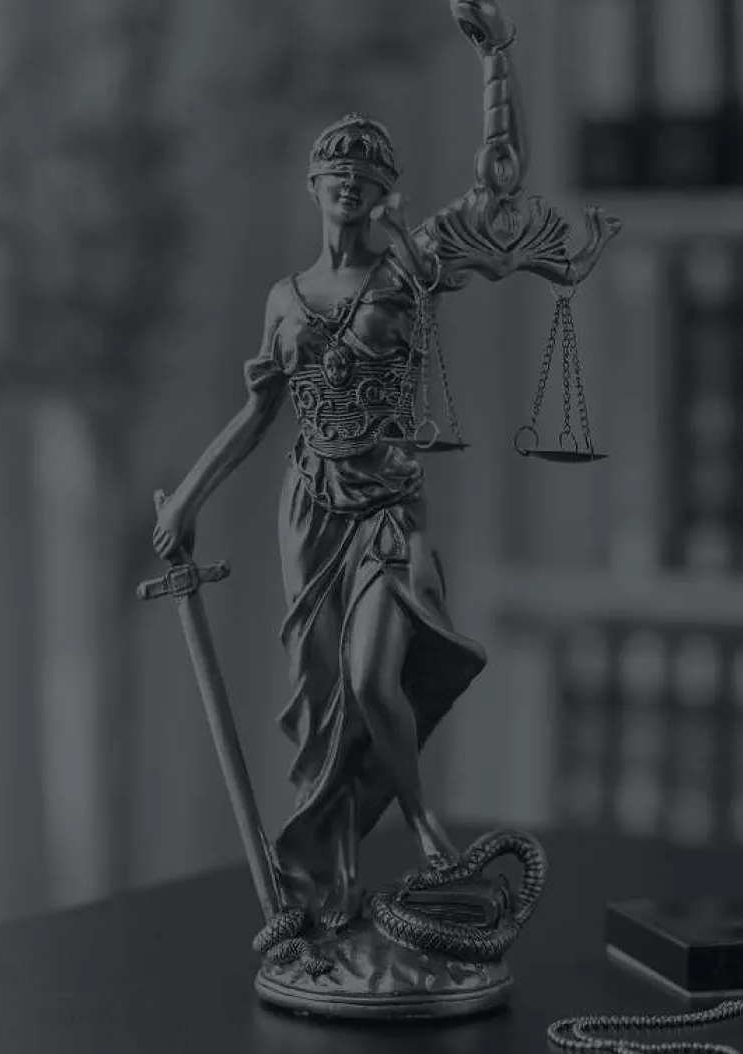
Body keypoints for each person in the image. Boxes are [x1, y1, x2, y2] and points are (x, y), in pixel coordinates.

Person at [150, 114, 484, 930]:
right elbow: (261, 413)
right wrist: (190, 494)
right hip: (309, 506)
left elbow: (495, 193)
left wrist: (499, 63)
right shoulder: (285, 298)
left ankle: (422, 823)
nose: (349, 181)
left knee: (374, 679)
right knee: (320, 695)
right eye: (335, 170)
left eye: (367, 174)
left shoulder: (406, 274)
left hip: (389, 507)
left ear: (382, 193)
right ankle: (326, 891)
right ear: (313, 187)